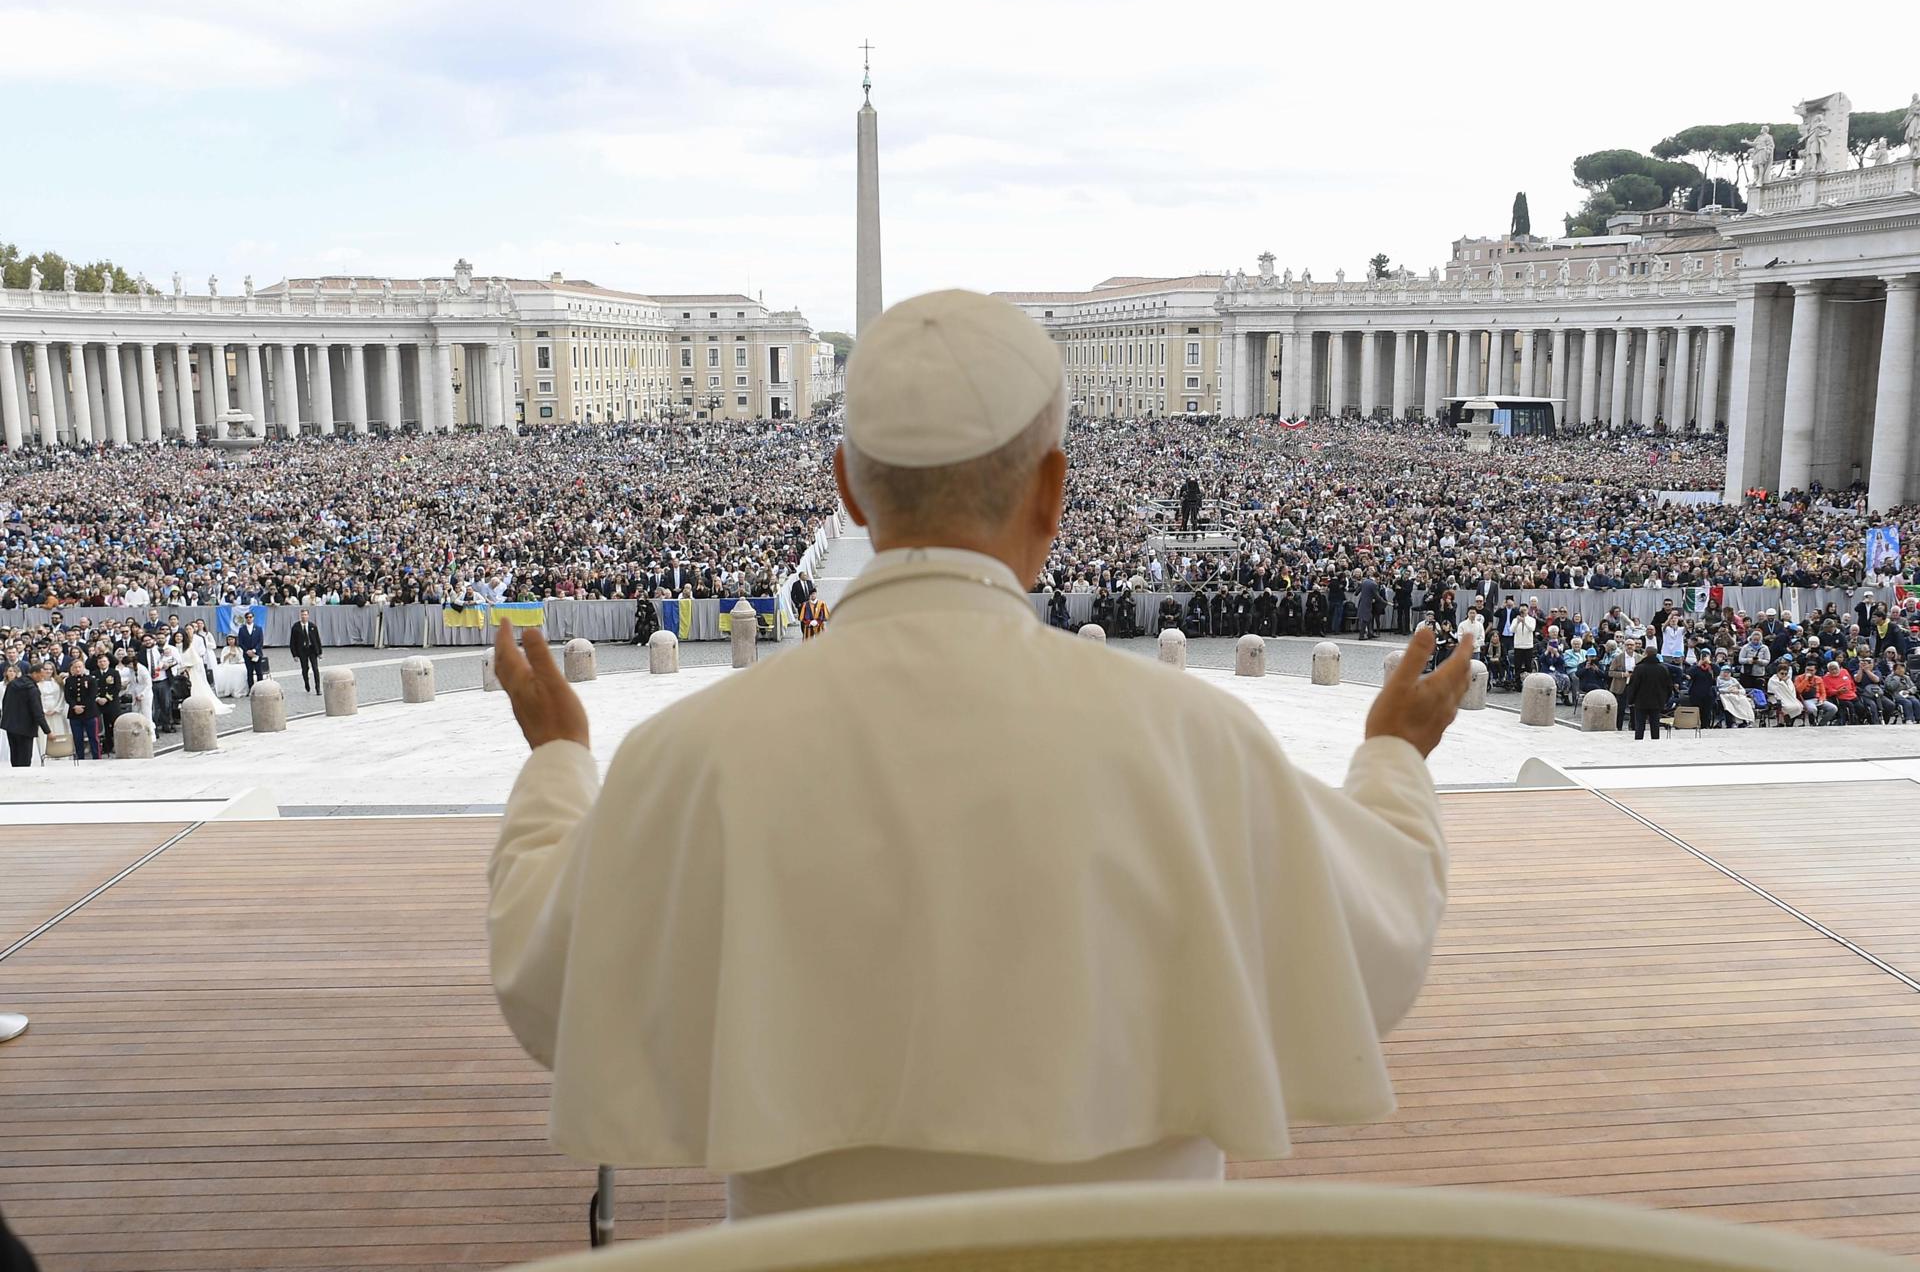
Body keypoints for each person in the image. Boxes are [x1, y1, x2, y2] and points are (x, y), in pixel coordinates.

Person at [487, 289, 1473, 1220]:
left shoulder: (687, 754)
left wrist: (559, 759)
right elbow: (1379, 947)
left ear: (849, 491)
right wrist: (1392, 753)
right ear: (1053, 490)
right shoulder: (1196, 743)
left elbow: (544, 983)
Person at [2, 664, 50, 768]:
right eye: (41, 676)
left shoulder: (12, 684)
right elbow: (37, 712)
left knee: (14, 755)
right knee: (25, 757)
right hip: (26, 727)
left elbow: (5, 703)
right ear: (34, 673)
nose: (42, 678)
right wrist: (47, 731)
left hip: (11, 726)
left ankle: (15, 776)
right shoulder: (32, 689)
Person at [1626, 639, 1673, 740]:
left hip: (1641, 701)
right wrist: (1664, 699)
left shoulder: (1639, 668)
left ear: (1646, 654)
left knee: (1639, 726)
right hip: (1657, 701)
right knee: (1655, 725)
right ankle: (1655, 743)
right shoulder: (1663, 668)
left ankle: (1639, 743)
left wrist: (1631, 700)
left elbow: (1633, 685)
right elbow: (1669, 687)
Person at [288, 610, 324, 694]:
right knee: (305, 668)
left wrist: (320, 652)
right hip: (302, 650)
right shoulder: (296, 627)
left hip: (312, 649)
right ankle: (306, 683)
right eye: (302, 615)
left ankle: (317, 688)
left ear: (308, 616)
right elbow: (292, 642)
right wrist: (294, 655)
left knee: (315, 668)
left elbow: (317, 639)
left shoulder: (312, 626)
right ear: (300, 616)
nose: (304, 616)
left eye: (305, 615)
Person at [236, 611, 268, 689]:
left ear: (253, 618)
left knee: (259, 672)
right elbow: (240, 642)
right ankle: (251, 688)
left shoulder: (258, 628)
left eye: (250, 617)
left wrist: (254, 650)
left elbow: (260, 641)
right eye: (247, 617)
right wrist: (247, 651)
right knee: (249, 672)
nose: (249, 619)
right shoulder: (242, 629)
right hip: (247, 654)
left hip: (257, 653)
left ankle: (260, 688)